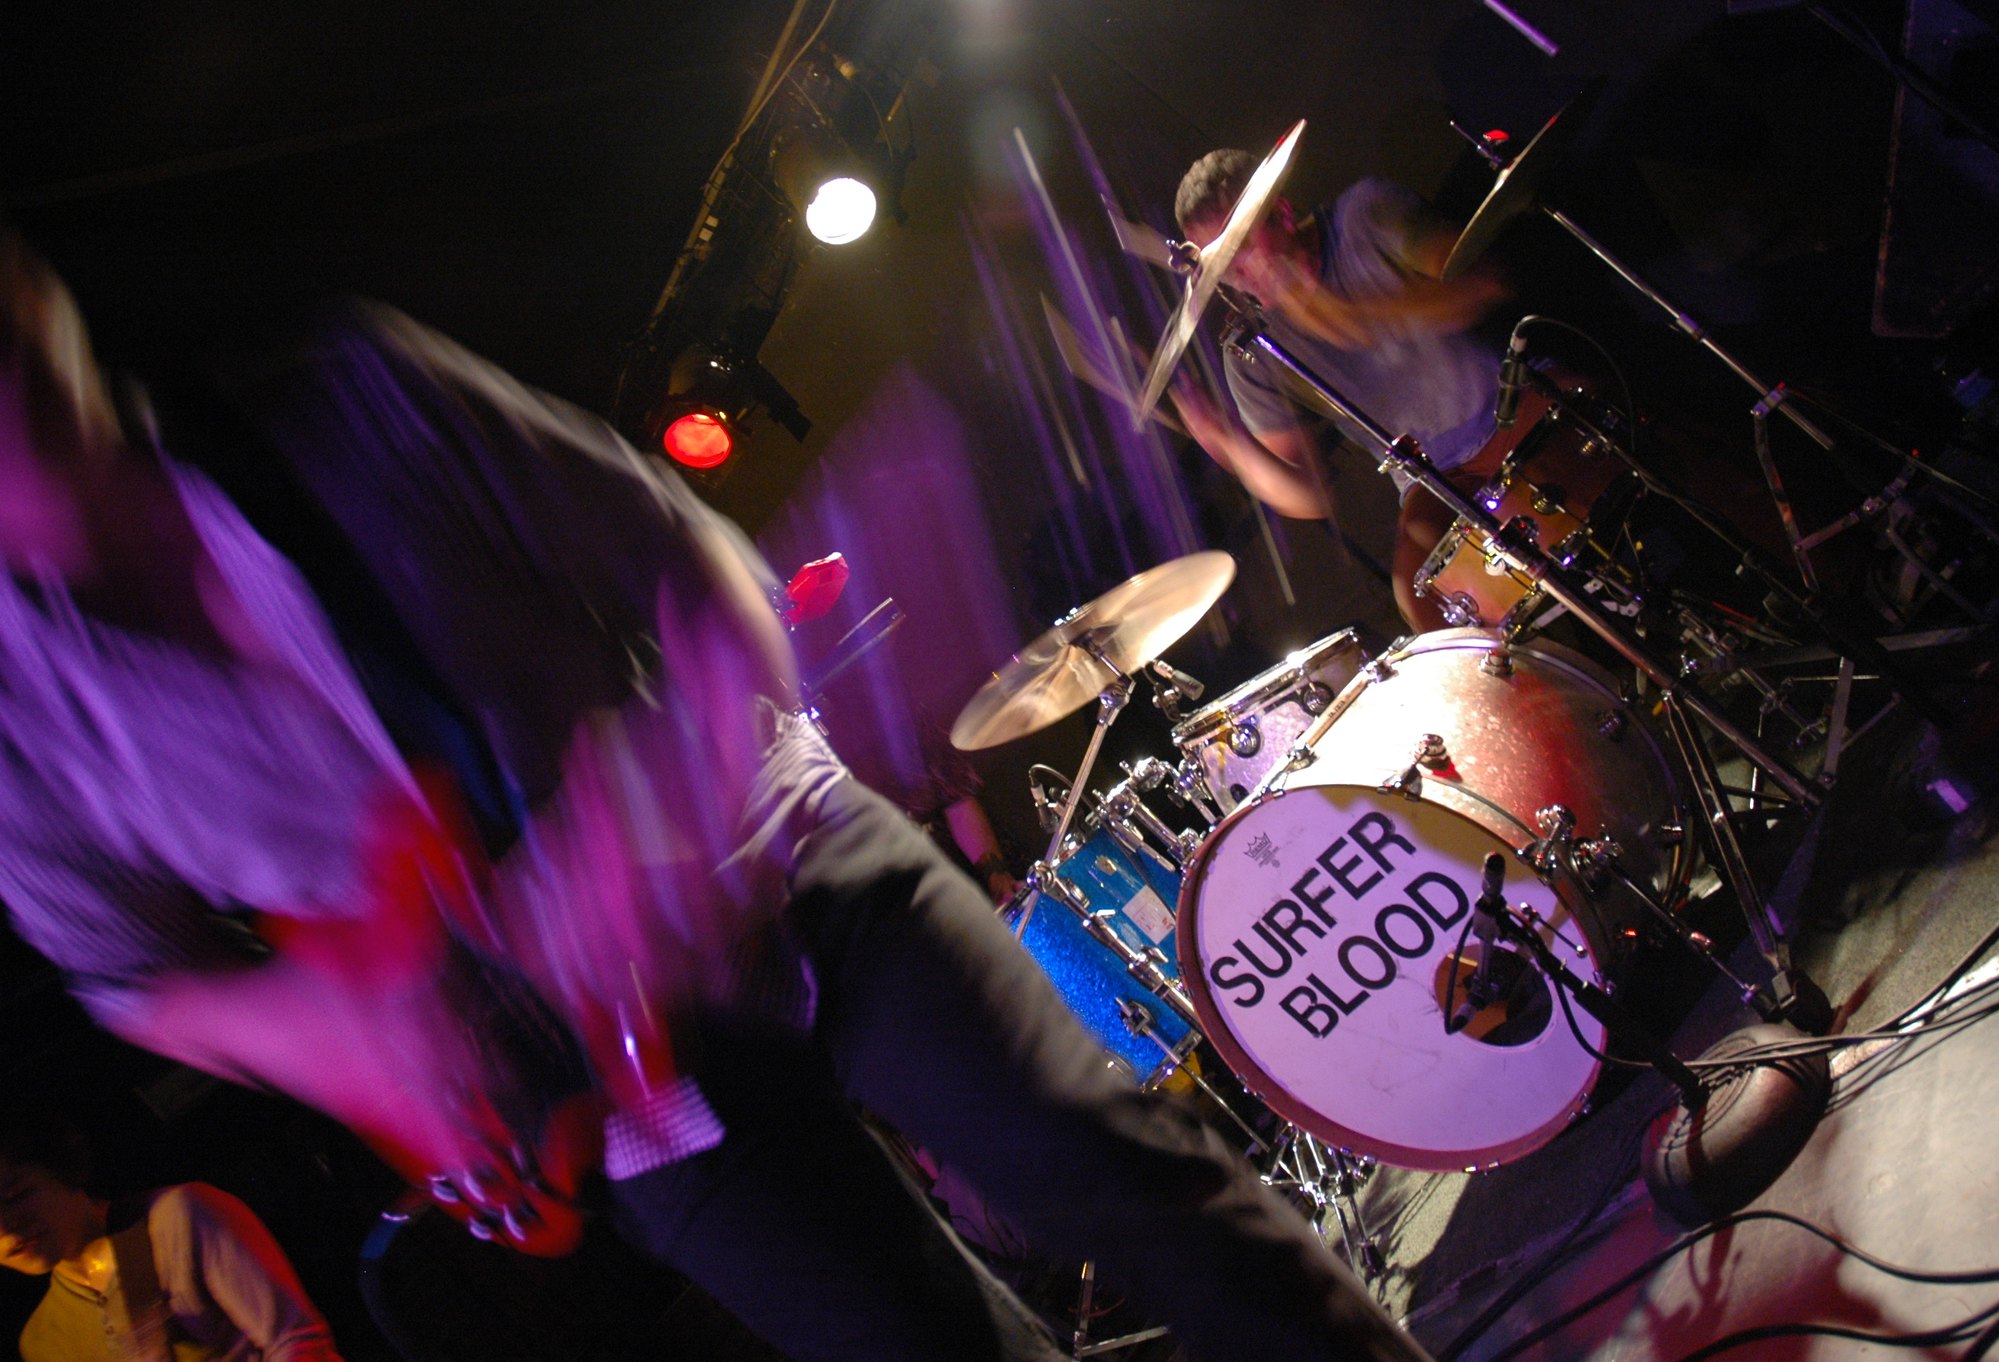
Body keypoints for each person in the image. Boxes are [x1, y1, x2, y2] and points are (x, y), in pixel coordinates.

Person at [0, 231, 1434, 1362]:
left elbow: (700, 572)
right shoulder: (20, 724)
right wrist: (350, 1043)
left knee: (1123, 1180)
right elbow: (132, 976)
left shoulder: (346, 400)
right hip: (589, 1082)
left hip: (778, 854)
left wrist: (639, 838)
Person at [1166, 147, 1509, 632]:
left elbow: (1482, 285)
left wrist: (1348, 314)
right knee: (1423, 601)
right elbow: (1308, 495)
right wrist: (1227, 440)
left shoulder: (1365, 213)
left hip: (1510, 408)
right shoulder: (1253, 350)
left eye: (1242, 243)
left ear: (1282, 213)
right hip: (1436, 481)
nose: (1238, 270)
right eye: (1220, 260)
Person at [0, 1105, 344, 1361]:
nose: (5, 1227)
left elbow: (296, 1342)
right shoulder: (43, 1342)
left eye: (15, 1195)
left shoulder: (179, 1216)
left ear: (62, 1169)